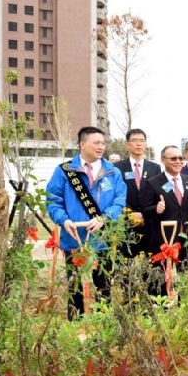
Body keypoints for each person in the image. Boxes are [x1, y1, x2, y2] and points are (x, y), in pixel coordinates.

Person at [46, 126, 127, 319]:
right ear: (82, 144)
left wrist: (104, 218)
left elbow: (119, 201)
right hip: (74, 237)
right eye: (96, 143)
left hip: (102, 237)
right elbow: (53, 200)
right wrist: (63, 220)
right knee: (74, 285)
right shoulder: (65, 171)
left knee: (104, 283)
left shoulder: (112, 172)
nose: (101, 147)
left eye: (103, 143)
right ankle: (76, 325)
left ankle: (104, 323)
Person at [140, 146, 188, 295]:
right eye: (173, 158)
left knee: (184, 279)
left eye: (180, 158)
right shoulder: (152, 183)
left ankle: (182, 311)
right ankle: (160, 311)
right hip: (162, 240)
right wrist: (156, 209)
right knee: (159, 281)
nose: (178, 161)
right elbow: (145, 210)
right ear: (163, 160)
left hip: (184, 239)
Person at [114, 129, 161, 257]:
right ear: (128, 144)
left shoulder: (155, 168)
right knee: (125, 265)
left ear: (145, 144)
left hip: (148, 222)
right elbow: (116, 194)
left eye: (142, 141)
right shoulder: (117, 167)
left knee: (150, 265)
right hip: (125, 223)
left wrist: (145, 214)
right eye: (134, 141)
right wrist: (131, 213)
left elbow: (157, 194)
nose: (139, 144)